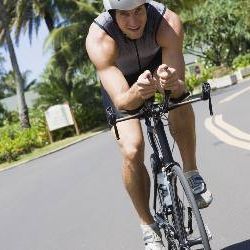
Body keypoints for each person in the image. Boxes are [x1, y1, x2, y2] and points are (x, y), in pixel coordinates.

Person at [86, 1, 213, 249]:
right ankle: (148, 225)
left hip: (158, 64)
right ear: (112, 15)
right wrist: (138, 91)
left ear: (146, 7)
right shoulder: (99, 38)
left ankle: (191, 173)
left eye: (138, 12)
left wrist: (172, 81)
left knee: (178, 97)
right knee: (132, 148)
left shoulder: (168, 22)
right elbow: (122, 100)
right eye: (124, 15)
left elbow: (179, 85)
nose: (134, 22)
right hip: (122, 83)